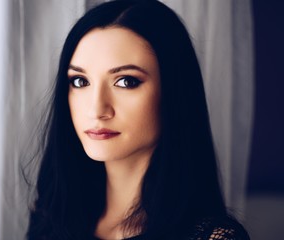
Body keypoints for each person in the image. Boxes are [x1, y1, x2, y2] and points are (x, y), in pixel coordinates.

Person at [26, 0, 250, 239]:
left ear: (174, 92)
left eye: (126, 81)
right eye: (80, 81)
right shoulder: (50, 219)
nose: (96, 109)